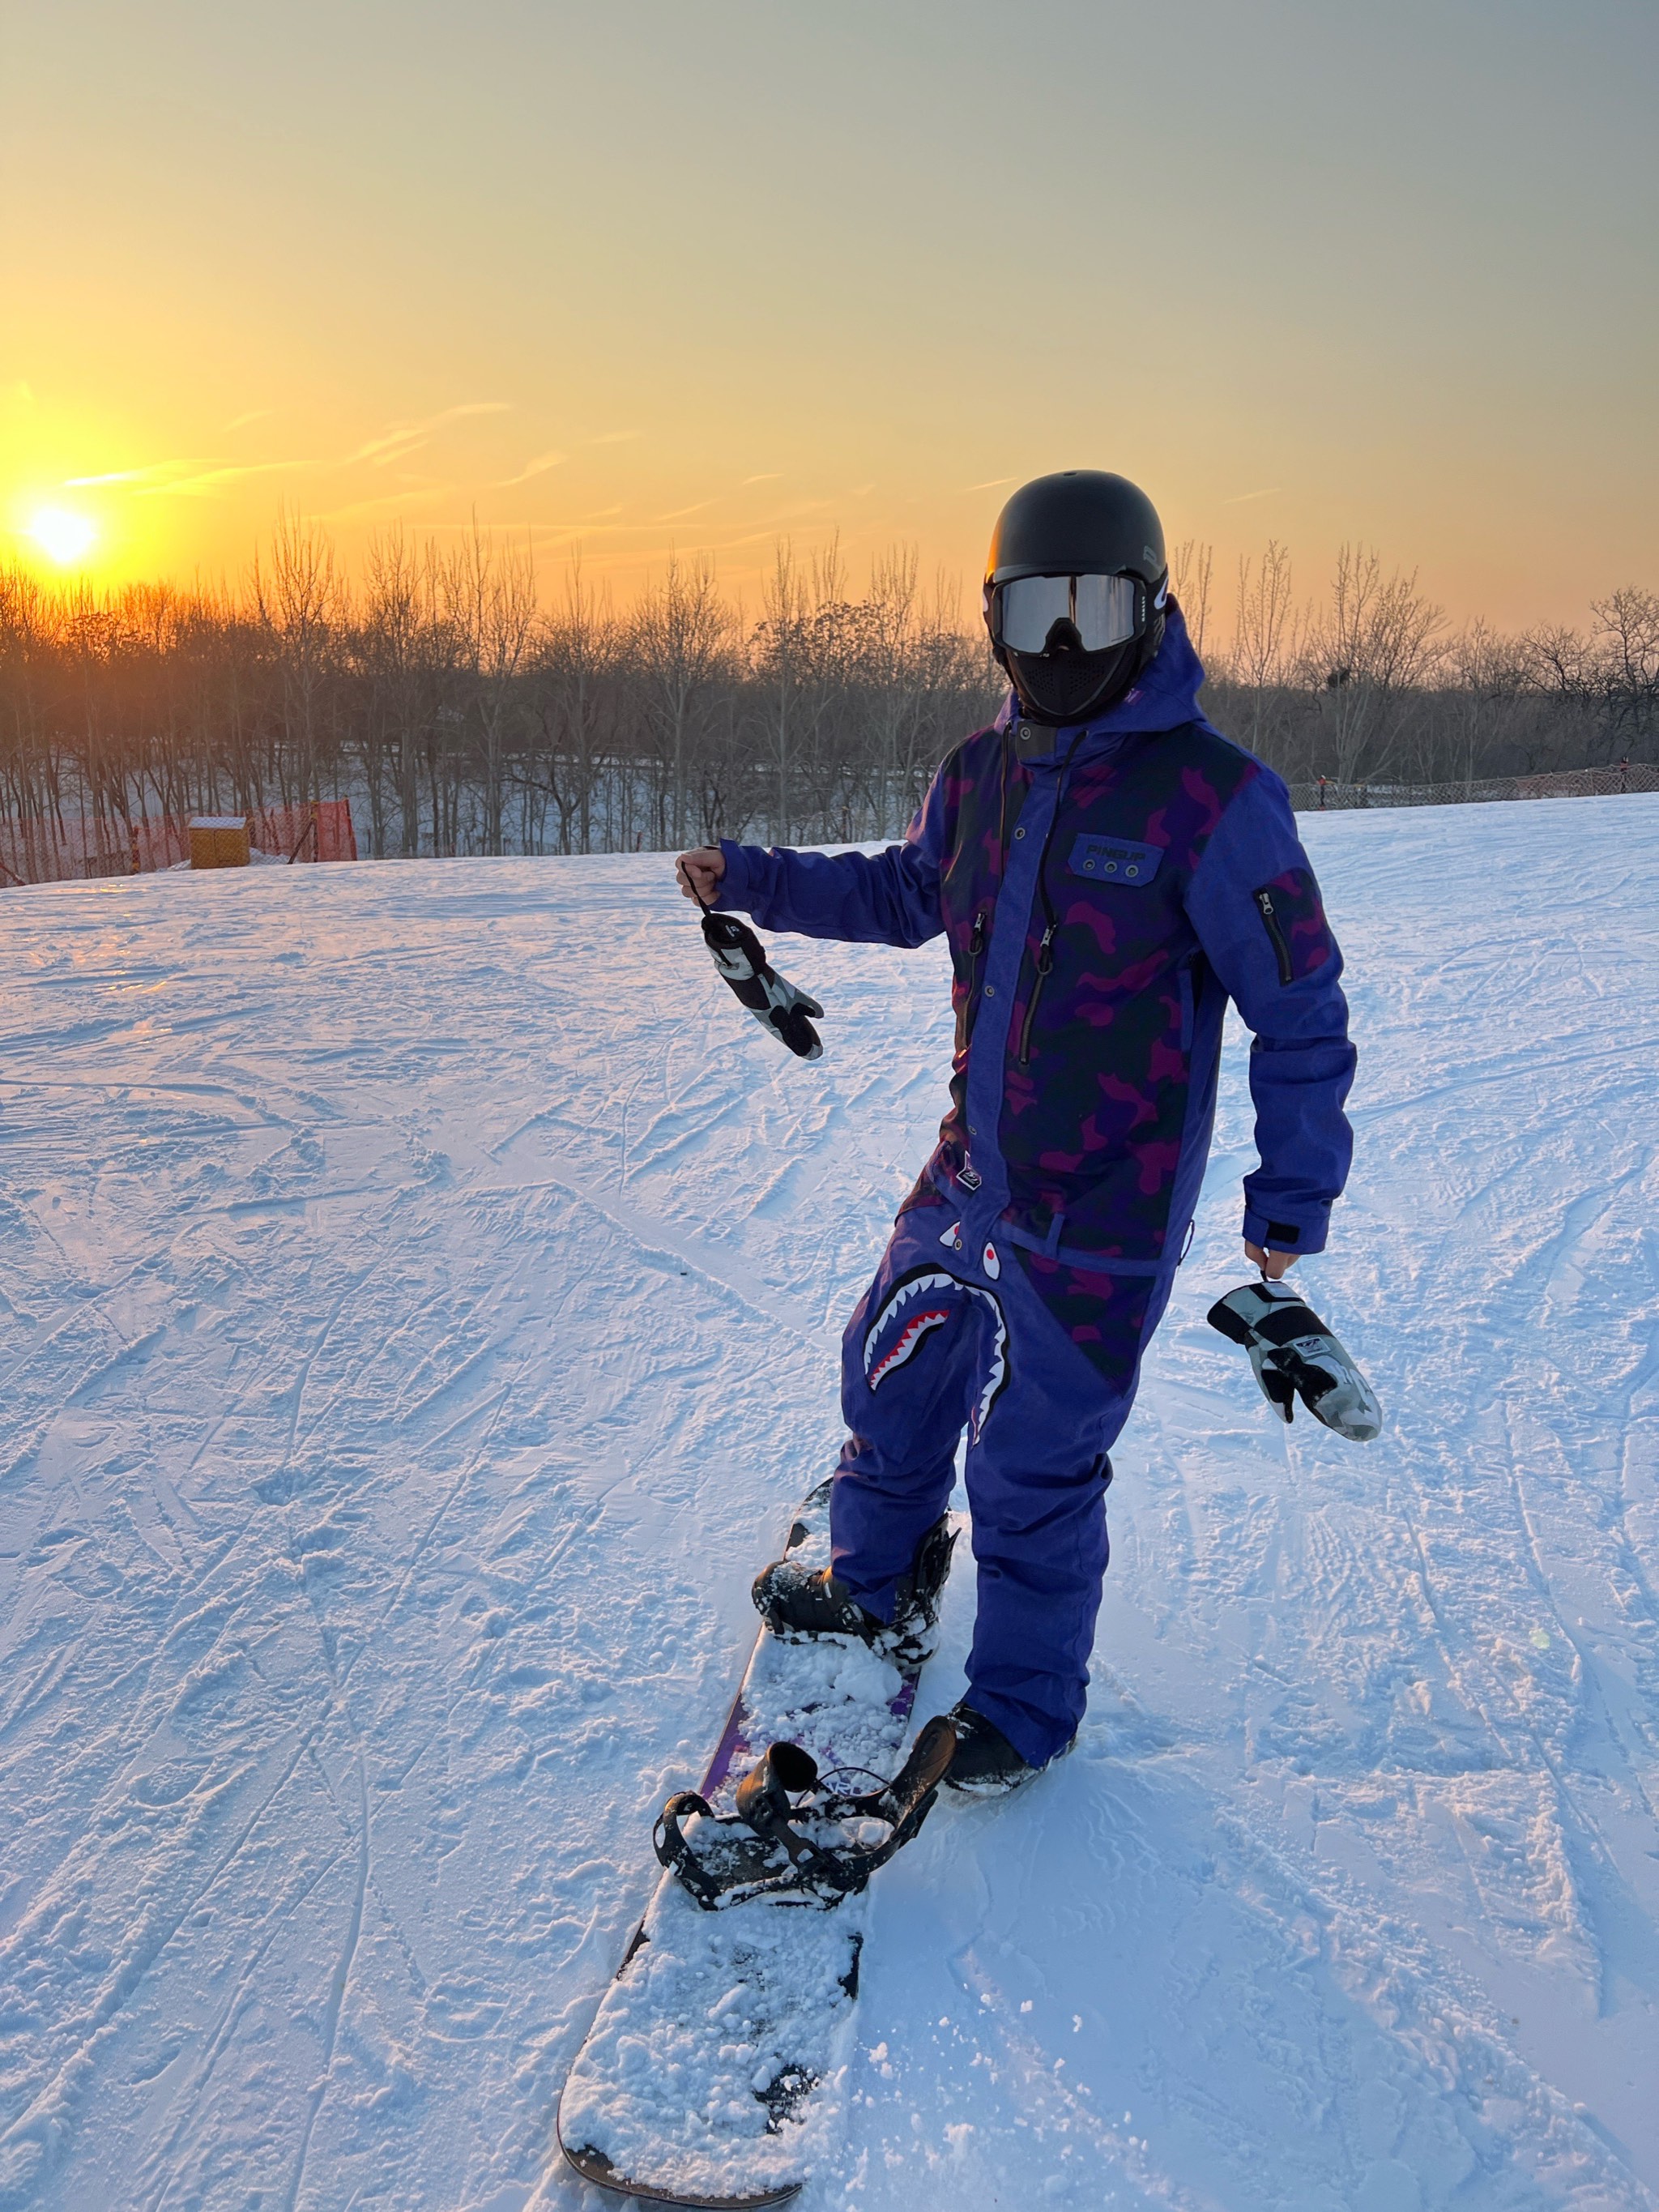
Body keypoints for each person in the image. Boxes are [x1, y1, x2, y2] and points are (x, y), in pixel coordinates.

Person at [677, 470, 1356, 1795]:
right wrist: (751, 876)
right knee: (891, 1373)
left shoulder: (1217, 800)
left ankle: (1025, 1708)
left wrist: (1288, 1209)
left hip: (1104, 1212)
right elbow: (903, 889)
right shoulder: (979, 773)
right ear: (995, 616)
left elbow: (1302, 1012)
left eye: (1093, 609)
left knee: (1034, 1465)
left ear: (1148, 613)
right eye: (1037, 610)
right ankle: (875, 1581)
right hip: (974, 1170)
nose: (1063, 646)